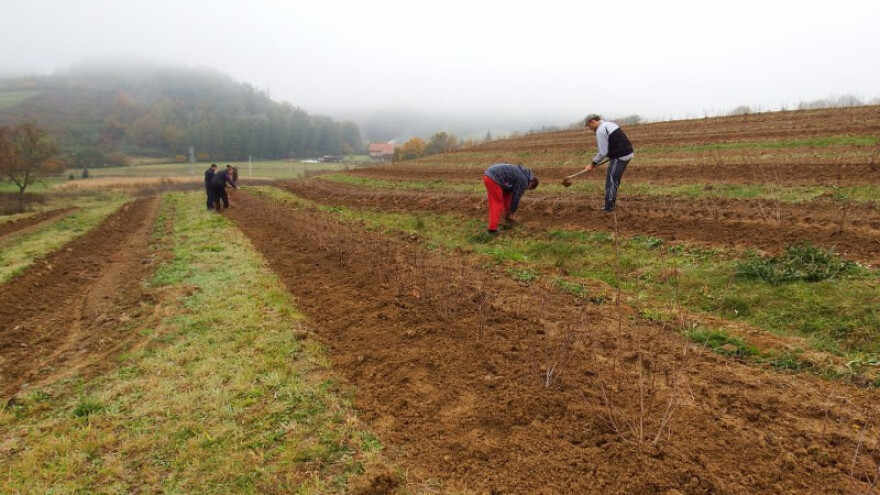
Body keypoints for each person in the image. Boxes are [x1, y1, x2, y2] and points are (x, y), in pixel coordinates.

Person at [583, 114, 634, 212]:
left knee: (611, 181)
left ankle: (609, 207)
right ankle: (610, 205)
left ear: (593, 122)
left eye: (589, 126)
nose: (590, 129)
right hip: (627, 152)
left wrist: (592, 164)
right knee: (614, 180)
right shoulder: (610, 124)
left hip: (620, 156)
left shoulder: (601, 130)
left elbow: (603, 152)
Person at [482, 163, 538, 234]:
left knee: (507, 197)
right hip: (494, 178)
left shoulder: (522, 174)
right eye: (528, 188)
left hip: (491, 175)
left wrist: (509, 213)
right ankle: (492, 230)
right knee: (497, 204)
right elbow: (516, 197)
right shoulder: (524, 181)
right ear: (531, 183)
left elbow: (510, 194)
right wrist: (512, 212)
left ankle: (507, 219)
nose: (526, 189)